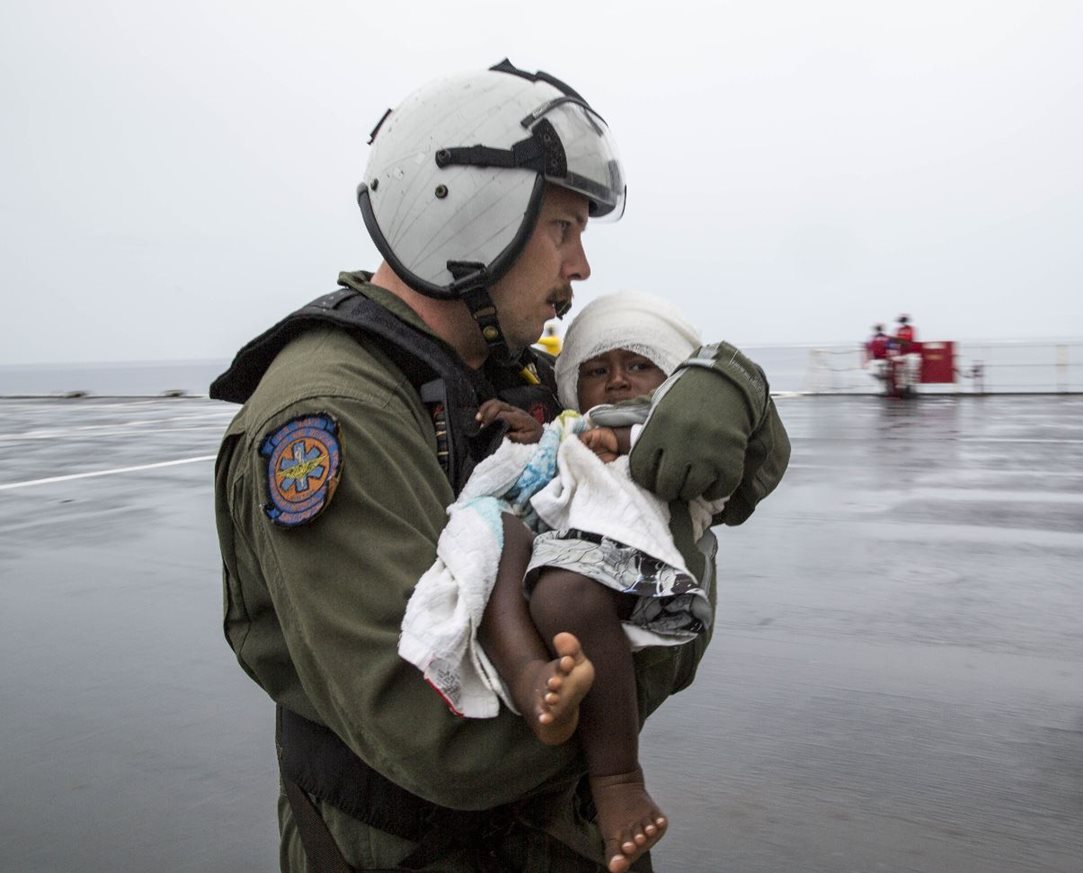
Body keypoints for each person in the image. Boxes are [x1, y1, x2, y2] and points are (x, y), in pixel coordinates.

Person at [209, 60, 791, 873]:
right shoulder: (332, 415)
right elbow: (453, 741)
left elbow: (714, 472)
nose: (581, 267)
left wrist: (733, 395)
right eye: (563, 229)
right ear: (470, 220)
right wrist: (666, 582)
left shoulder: (500, 373)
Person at [400, 293, 726, 873]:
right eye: (598, 371)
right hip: (553, 534)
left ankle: (619, 778)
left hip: (615, 551)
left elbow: (699, 460)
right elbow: (555, 452)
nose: (618, 381)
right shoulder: (578, 421)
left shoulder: (681, 424)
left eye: (638, 366)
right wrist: (540, 434)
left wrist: (622, 443)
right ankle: (529, 675)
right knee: (492, 538)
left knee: (562, 594)